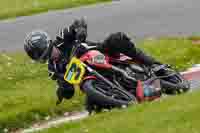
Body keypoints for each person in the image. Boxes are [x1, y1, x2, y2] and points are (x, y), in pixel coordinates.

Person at [24, 18, 163, 104]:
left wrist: (80, 31)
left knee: (117, 38)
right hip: (90, 78)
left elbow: (79, 23)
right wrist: (63, 90)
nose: (47, 56)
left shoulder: (62, 38)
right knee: (91, 105)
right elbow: (67, 87)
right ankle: (124, 98)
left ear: (47, 43)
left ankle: (154, 64)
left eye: (41, 51)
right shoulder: (53, 69)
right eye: (38, 55)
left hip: (101, 52)